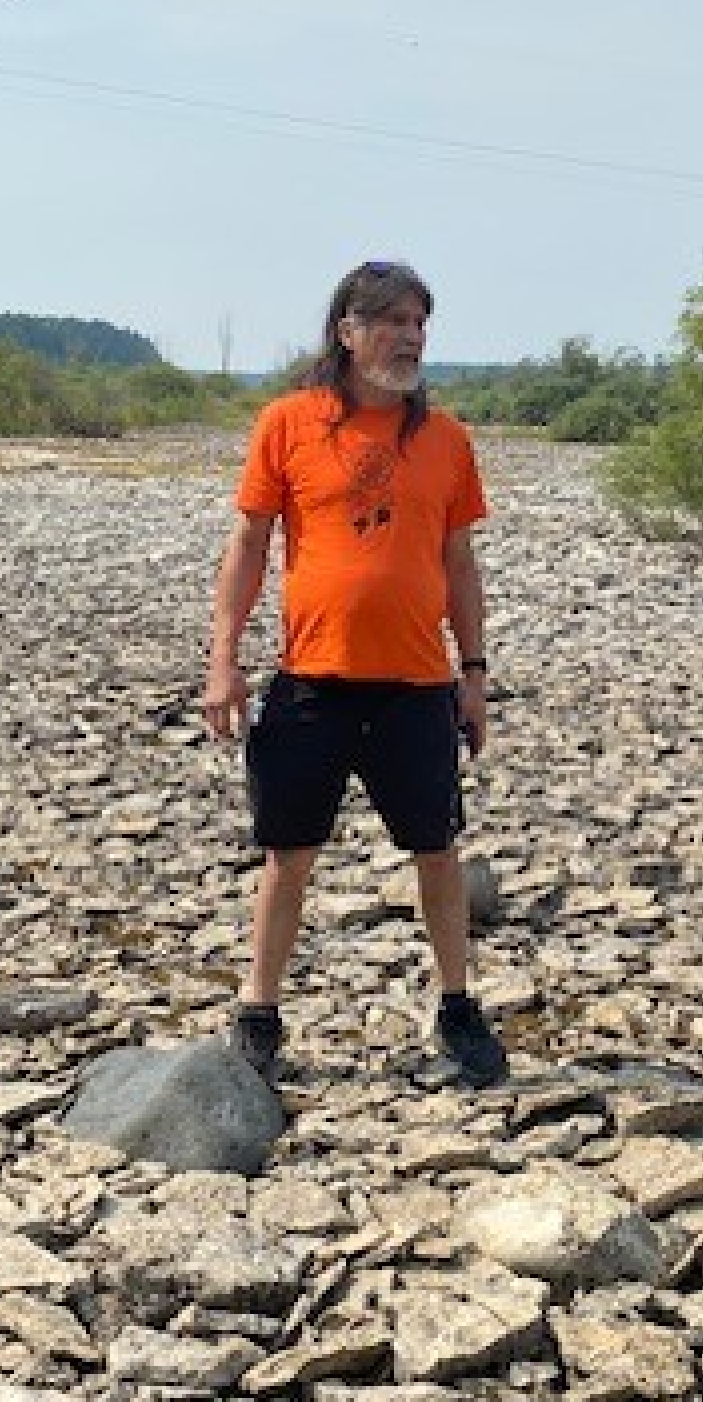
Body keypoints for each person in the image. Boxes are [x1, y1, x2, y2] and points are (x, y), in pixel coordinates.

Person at [199, 260, 509, 1089]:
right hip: (312, 681)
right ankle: (258, 1012)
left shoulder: (446, 440)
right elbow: (251, 545)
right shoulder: (289, 424)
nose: (409, 337)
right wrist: (223, 662)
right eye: (392, 321)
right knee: (287, 853)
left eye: (419, 323)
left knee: (437, 848)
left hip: (417, 685)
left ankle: (456, 1007)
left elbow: (459, 561)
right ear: (346, 329)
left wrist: (474, 675)